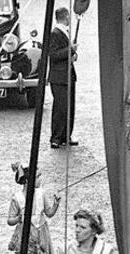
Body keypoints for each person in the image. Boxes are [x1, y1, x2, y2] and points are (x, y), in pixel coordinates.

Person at [6, 185, 58, 254]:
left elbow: (48, 213)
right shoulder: (17, 197)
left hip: (40, 233)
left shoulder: (41, 194)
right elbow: (10, 220)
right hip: (26, 235)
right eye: (38, 176)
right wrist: (18, 218)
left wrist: (55, 204)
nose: (40, 179)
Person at [47, 7, 77, 149]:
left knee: (69, 107)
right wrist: (70, 49)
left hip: (68, 75)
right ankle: (56, 137)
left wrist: (72, 55)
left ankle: (66, 135)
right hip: (59, 77)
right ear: (65, 17)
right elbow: (52, 54)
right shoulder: (55, 33)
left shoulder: (64, 32)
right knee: (60, 108)